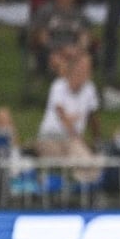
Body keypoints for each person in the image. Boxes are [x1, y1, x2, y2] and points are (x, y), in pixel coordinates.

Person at [36, 52, 101, 184]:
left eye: (88, 68)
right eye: (83, 68)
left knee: (87, 161)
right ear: (74, 68)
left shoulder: (90, 89)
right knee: (75, 158)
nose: (86, 72)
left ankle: (81, 186)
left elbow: (92, 117)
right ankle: (75, 183)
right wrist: (79, 140)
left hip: (73, 141)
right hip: (51, 137)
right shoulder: (58, 87)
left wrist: (97, 140)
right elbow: (63, 118)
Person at [27, 0, 91, 77]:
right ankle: (68, 91)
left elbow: (84, 36)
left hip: (74, 51)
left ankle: (84, 92)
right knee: (60, 62)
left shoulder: (80, 13)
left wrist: (77, 50)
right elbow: (42, 38)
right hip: (51, 53)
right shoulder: (46, 12)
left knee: (85, 61)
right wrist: (62, 49)